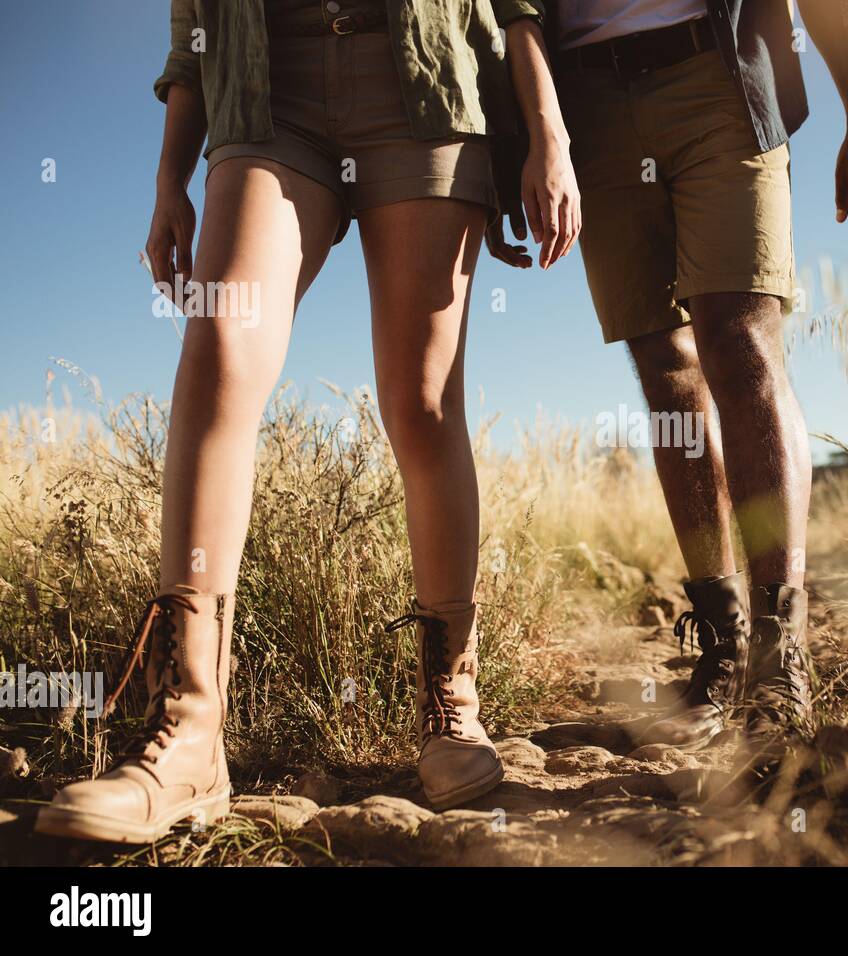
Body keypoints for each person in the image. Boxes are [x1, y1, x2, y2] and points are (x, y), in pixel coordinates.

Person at [35, 0, 579, 843]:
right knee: (217, 348)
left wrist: (549, 132)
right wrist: (168, 179)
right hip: (266, 95)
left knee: (423, 401)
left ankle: (451, 703)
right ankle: (189, 730)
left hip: (426, 90)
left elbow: (518, 6)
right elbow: (193, 39)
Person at [489, 0, 848, 767]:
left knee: (739, 344)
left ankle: (782, 657)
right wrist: (525, 137)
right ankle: (721, 642)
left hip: (721, 74)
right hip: (587, 108)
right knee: (666, 371)